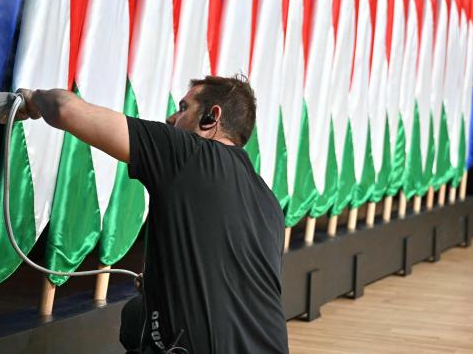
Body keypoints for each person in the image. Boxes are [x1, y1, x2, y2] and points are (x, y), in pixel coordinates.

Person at [18, 75, 288, 353]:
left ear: (211, 117)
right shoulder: (269, 202)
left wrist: (32, 101)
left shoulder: (186, 153)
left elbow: (65, 109)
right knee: (135, 316)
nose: (172, 118)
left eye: (184, 108)